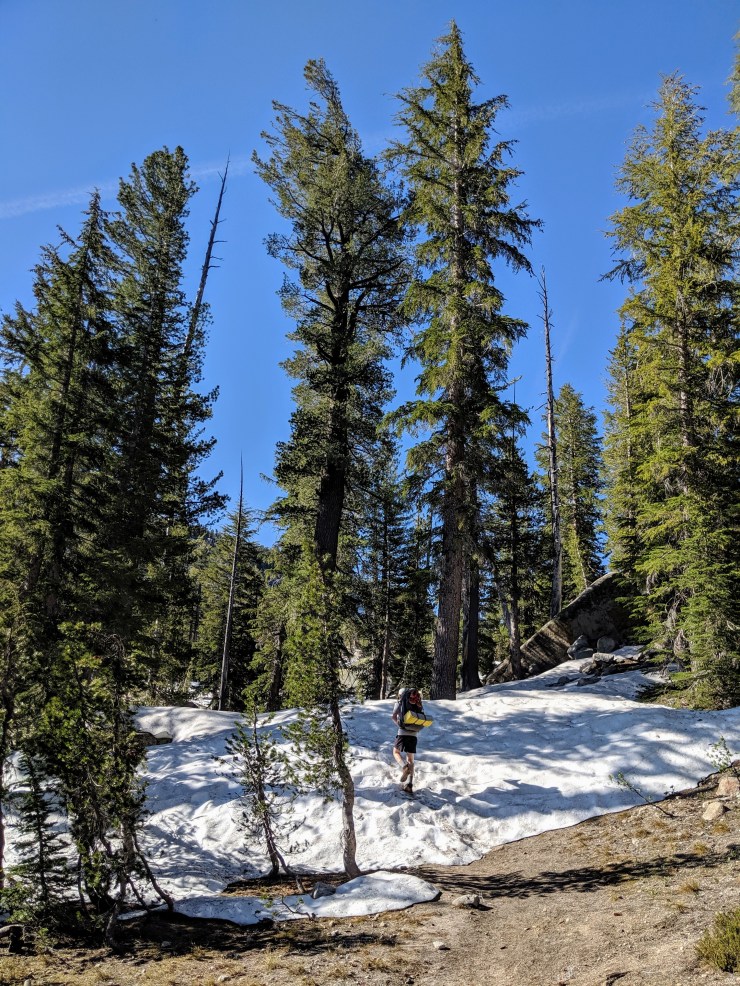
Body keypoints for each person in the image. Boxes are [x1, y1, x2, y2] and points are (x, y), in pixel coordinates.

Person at [391, 686, 431, 793]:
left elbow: (394, 716)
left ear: (401, 695)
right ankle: (410, 784)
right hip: (414, 734)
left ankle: (404, 767)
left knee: (396, 752)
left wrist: (400, 725)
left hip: (403, 732)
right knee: (411, 759)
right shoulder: (417, 703)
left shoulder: (399, 703)